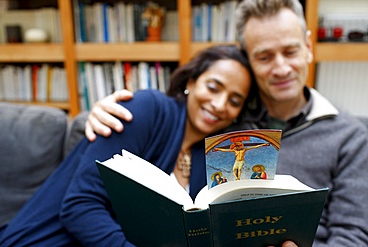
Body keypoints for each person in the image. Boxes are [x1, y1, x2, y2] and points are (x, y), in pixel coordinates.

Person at [84, 0, 368, 246]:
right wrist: (99, 112)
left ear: (308, 46)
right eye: (265, 56)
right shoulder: (224, 119)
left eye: (291, 51)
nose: (281, 68)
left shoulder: (350, 136)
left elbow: (354, 235)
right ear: (247, 61)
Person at [0, 45, 259, 246]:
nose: (219, 104)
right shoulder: (147, 109)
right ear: (191, 82)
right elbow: (79, 205)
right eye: (213, 87)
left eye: (234, 101)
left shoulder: (211, 155)